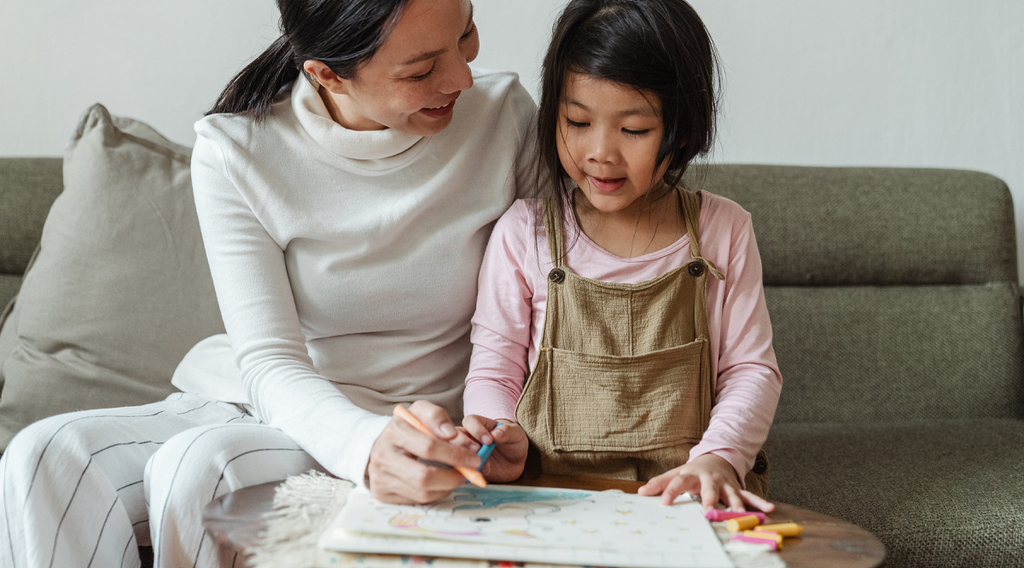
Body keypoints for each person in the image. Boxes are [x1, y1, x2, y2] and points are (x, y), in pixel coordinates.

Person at [0, 0, 537, 566]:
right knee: (42, 455)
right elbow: (270, 361)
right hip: (274, 402)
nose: (463, 77)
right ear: (326, 72)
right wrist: (363, 446)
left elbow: (558, 293)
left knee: (198, 469)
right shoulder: (236, 149)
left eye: (467, 34)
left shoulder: (504, 117)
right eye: (422, 69)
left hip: (414, 419)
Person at [460, 0, 782, 513]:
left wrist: (721, 456)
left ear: (684, 128)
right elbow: (495, 370)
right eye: (577, 121)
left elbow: (751, 370)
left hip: (684, 496)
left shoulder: (724, 230)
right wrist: (498, 429)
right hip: (550, 496)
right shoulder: (524, 233)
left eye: (634, 130)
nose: (601, 151)